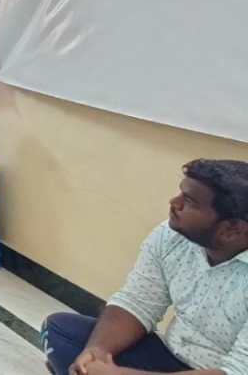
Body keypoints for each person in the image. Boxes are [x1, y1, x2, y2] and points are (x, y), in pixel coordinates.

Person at [42, 159, 248, 375]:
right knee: (60, 331)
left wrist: (117, 374)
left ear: (233, 229)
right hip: (171, 357)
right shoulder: (172, 235)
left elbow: (238, 370)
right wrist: (98, 351)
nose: (174, 202)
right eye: (180, 193)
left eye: (189, 201)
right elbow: (138, 301)